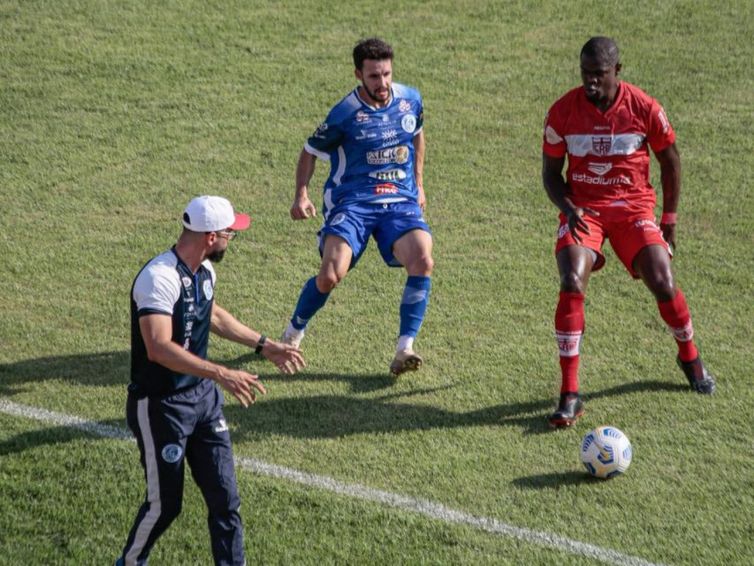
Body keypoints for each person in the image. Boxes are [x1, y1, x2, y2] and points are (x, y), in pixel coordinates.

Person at [117, 196, 305, 565]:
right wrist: (221, 372)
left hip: (203, 399)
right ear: (211, 236)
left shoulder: (205, 271)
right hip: (161, 405)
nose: (232, 239)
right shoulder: (159, 278)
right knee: (165, 506)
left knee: (226, 501)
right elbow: (158, 348)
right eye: (230, 234)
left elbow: (213, 315)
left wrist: (263, 345)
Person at [541, 37, 716, 428]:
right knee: (571, 279)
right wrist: (569, 209)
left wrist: (668, 220)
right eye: (585, 74)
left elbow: (670, 161)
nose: (590, 82)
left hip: (633, 207)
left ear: (617, 72)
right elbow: (551, 175)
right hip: (585, 208)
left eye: (599, 75)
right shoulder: (562, 112)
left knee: (662, 279)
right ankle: (570, 393)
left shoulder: (644, 108)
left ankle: (689, 356)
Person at [281, 37, 434, 376]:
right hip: (353, 203)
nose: (382, 84)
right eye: (374, 77)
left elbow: (417, 135)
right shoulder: (344, 114)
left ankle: (404, 348)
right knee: (331, 275)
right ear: (358, 74)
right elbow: (309, 150)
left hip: (399, 200)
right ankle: (293, 331)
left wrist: (419, 184)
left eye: (387, 74)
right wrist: (301, 194)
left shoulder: (410, 100)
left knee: (422, 258)